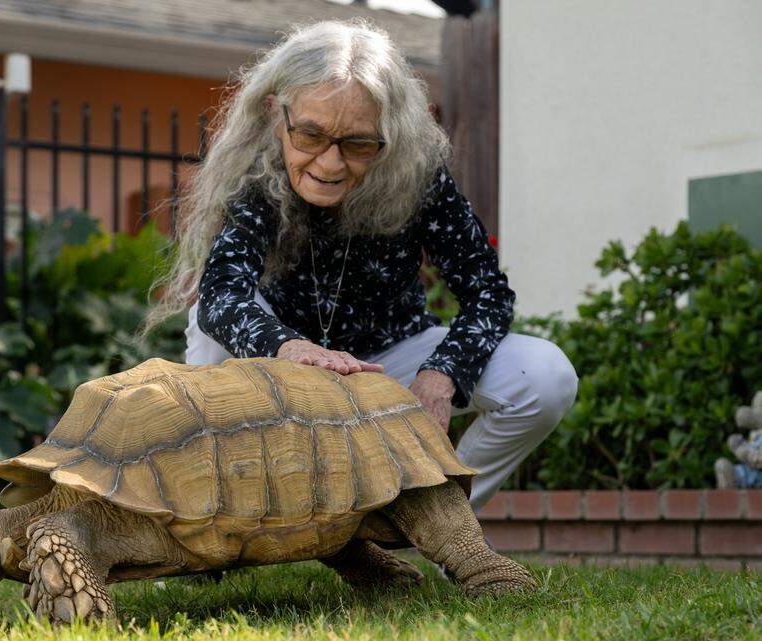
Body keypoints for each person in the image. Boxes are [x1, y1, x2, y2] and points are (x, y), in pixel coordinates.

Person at [145, 19, 577, 587]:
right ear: (278, 114)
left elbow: (487, 291)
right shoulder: (258, 177)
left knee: (546, 378)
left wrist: (443, 375)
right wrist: (290, 348)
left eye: (358, 144)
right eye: (311, 136)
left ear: (389, 134)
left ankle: (445, 527)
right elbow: (223, 292)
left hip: (387, 358)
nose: (329, 164)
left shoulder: (419, 177)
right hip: (279, 369)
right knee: (207, 328)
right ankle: (203, 531)